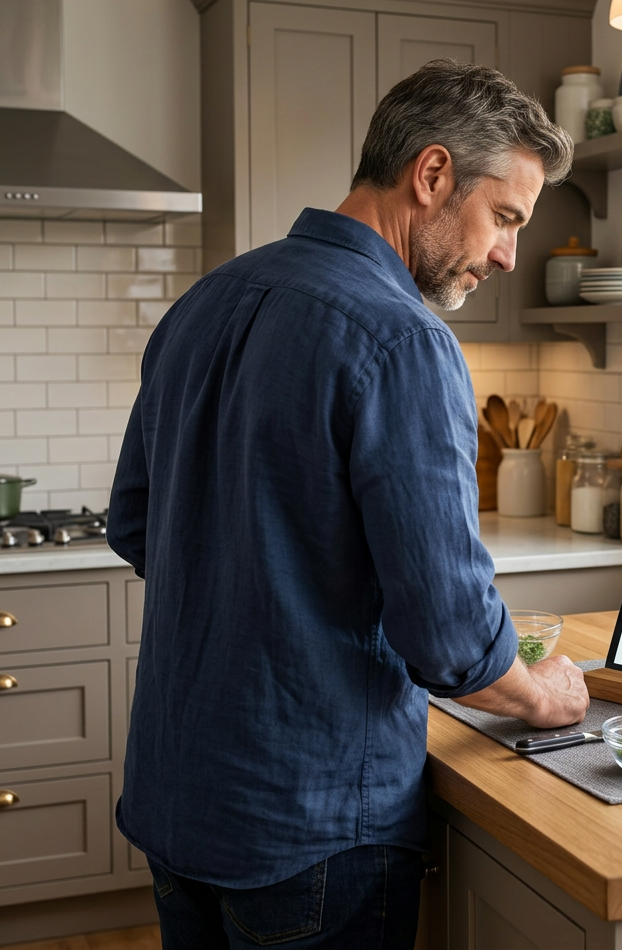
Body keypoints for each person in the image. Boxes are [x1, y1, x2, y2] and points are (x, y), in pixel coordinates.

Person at [106, 59, 590, 950]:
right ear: (432, 173)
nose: (507, 256)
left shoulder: (204, 302)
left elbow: (136, 524)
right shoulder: (404, 339)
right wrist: (540, 695)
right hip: (313, 819)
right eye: (505, 217)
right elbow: (449, 632)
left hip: (178, 793)